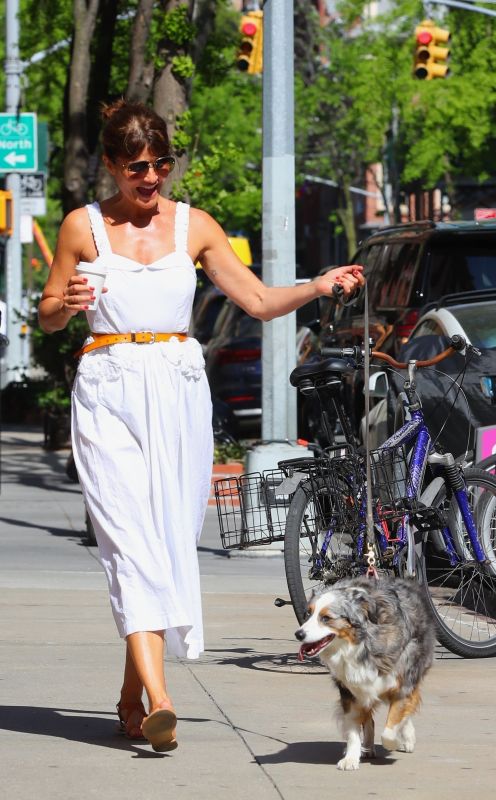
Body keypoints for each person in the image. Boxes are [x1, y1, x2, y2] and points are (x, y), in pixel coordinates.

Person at [38, 99, 364, 753]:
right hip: (107, 385)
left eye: (160, 164)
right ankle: (162, 701)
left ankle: (132, 695)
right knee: (128, 540)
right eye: (137, 167)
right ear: (110, 165)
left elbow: (258, 300)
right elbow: (47, 313)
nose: (151, 178)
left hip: (178, 386)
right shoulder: (82, 226)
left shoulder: (194, 226)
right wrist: (64, 305)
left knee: (164, 543)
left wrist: (318, 284)